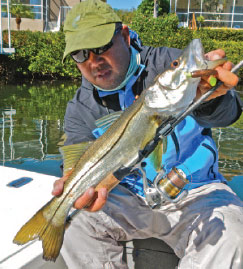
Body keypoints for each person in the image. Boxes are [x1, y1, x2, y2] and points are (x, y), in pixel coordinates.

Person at [52, 0, 243, 268]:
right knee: (73, 225)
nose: (94, 62)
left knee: (235, 234)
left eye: (100, 47)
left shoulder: (168, 64)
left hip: (196, 192)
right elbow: (73, 158)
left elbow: (228, 114)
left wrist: (211, 98)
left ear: (125, 36)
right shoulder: (80, 107)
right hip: (126, 196)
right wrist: (73, 179)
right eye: (80, 55)